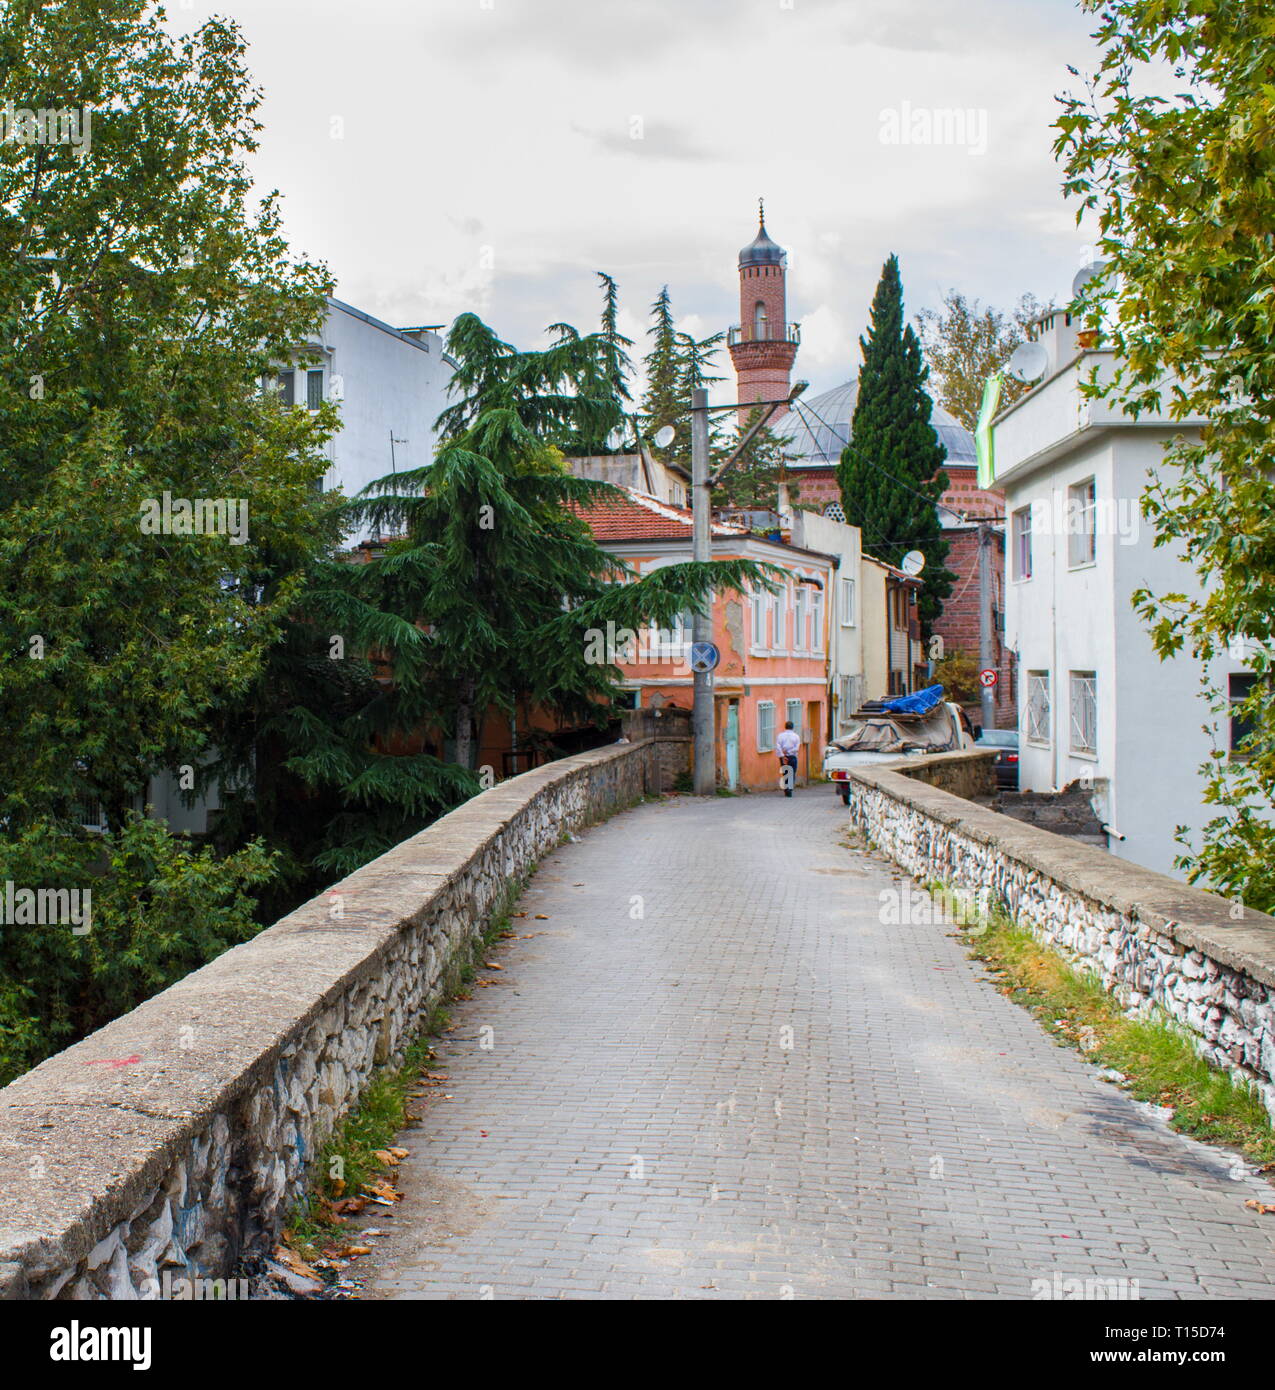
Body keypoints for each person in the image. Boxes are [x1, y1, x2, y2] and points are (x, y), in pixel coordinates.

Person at [776, 720, 801, 797]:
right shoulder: (796, 736)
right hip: (792, 756)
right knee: (792, 772)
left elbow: (778, 746)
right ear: (793, 727)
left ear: (785, 727)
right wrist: (789, 751)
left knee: (785, 772)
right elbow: (796, 748)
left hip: (783, 757)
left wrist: (782, 754)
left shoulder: (780, 736)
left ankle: (786, 788)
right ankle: (789, 788)